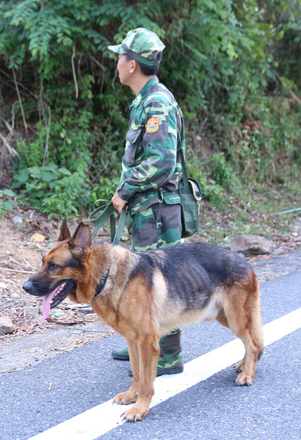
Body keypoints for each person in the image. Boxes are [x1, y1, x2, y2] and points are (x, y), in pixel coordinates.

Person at [107, 28, 186, 376]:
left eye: (121, 56)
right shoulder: (145, 100)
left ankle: (167, 356)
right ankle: (143, 340)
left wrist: (124, 190)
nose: (118, 61)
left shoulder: (156, 103)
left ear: (133, 64)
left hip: (157, 210)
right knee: (146, 279)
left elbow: (161, 162)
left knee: (158, 281)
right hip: (149, 209)